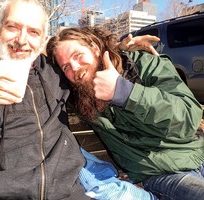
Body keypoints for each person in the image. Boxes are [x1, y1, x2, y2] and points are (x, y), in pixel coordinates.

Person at [0, 0, 158, 200]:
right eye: (12, 27)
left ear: (42, 39)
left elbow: (90, 64)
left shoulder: (57, 75)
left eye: (33, 31)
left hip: (71, 193)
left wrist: (122, 49)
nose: (22, 40)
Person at [45, 26, 204, 200]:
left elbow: (189, 117)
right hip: (163, 175)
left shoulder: (143, 65)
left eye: (78, 55)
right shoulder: (76, 96)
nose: (75, 67)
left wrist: (126, 93)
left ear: (95, 48)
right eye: (66, 66)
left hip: (196, 155)